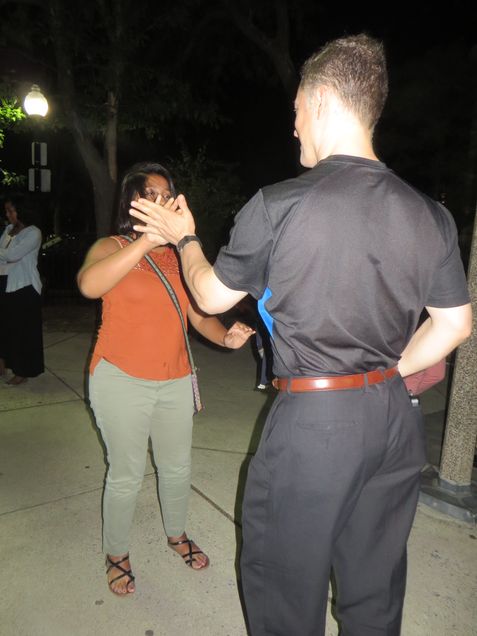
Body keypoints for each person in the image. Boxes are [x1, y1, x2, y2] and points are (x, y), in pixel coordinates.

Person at [129, 35, 472, 636]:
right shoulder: (430, 214)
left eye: (293, 111)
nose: (292, 128)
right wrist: (386, 373)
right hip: (394, 421)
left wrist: (185, 239)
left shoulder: (279, 205)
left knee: (283, 590)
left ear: (318, 101)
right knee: (374, 589)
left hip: (315, 425)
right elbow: (454, 324)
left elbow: (209, 297)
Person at [76, 162, 254, 596]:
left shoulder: (180, 258)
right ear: (134, 203)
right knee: (127, 472)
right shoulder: (112, 245)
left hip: (174, 379)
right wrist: (145, 242)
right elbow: (88, 285)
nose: (163, 199)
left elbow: (198, 315)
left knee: (177, 467)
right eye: (152, 193)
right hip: (119, 377)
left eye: (167, 193)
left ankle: (176, 534)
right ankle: (116, 551)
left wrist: (226, 337)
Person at [0, 195, 44, 385]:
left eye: (11, 210)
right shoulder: (8, 230)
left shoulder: (33, 233)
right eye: (7, 211)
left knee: (23, 330)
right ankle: (3, 365)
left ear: (22, 211)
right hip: (4, 282)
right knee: (5, 327)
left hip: (24, 285)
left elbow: (13, 254)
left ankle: (23, 371)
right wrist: (7, 255)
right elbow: (7, 256)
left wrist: (7, 255)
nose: (8, 214)